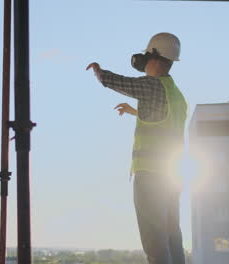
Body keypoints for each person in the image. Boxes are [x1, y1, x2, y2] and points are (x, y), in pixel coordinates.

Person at [86, 32, 187, 264]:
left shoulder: (153, 86)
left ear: (155, 57)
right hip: (172, 178)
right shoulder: (176, 94)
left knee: (155, 244)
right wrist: (134, 111)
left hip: (150, 177)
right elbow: (161, 120)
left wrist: (99, 72)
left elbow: (119, 83)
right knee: (173, 238)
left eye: (145, 55)